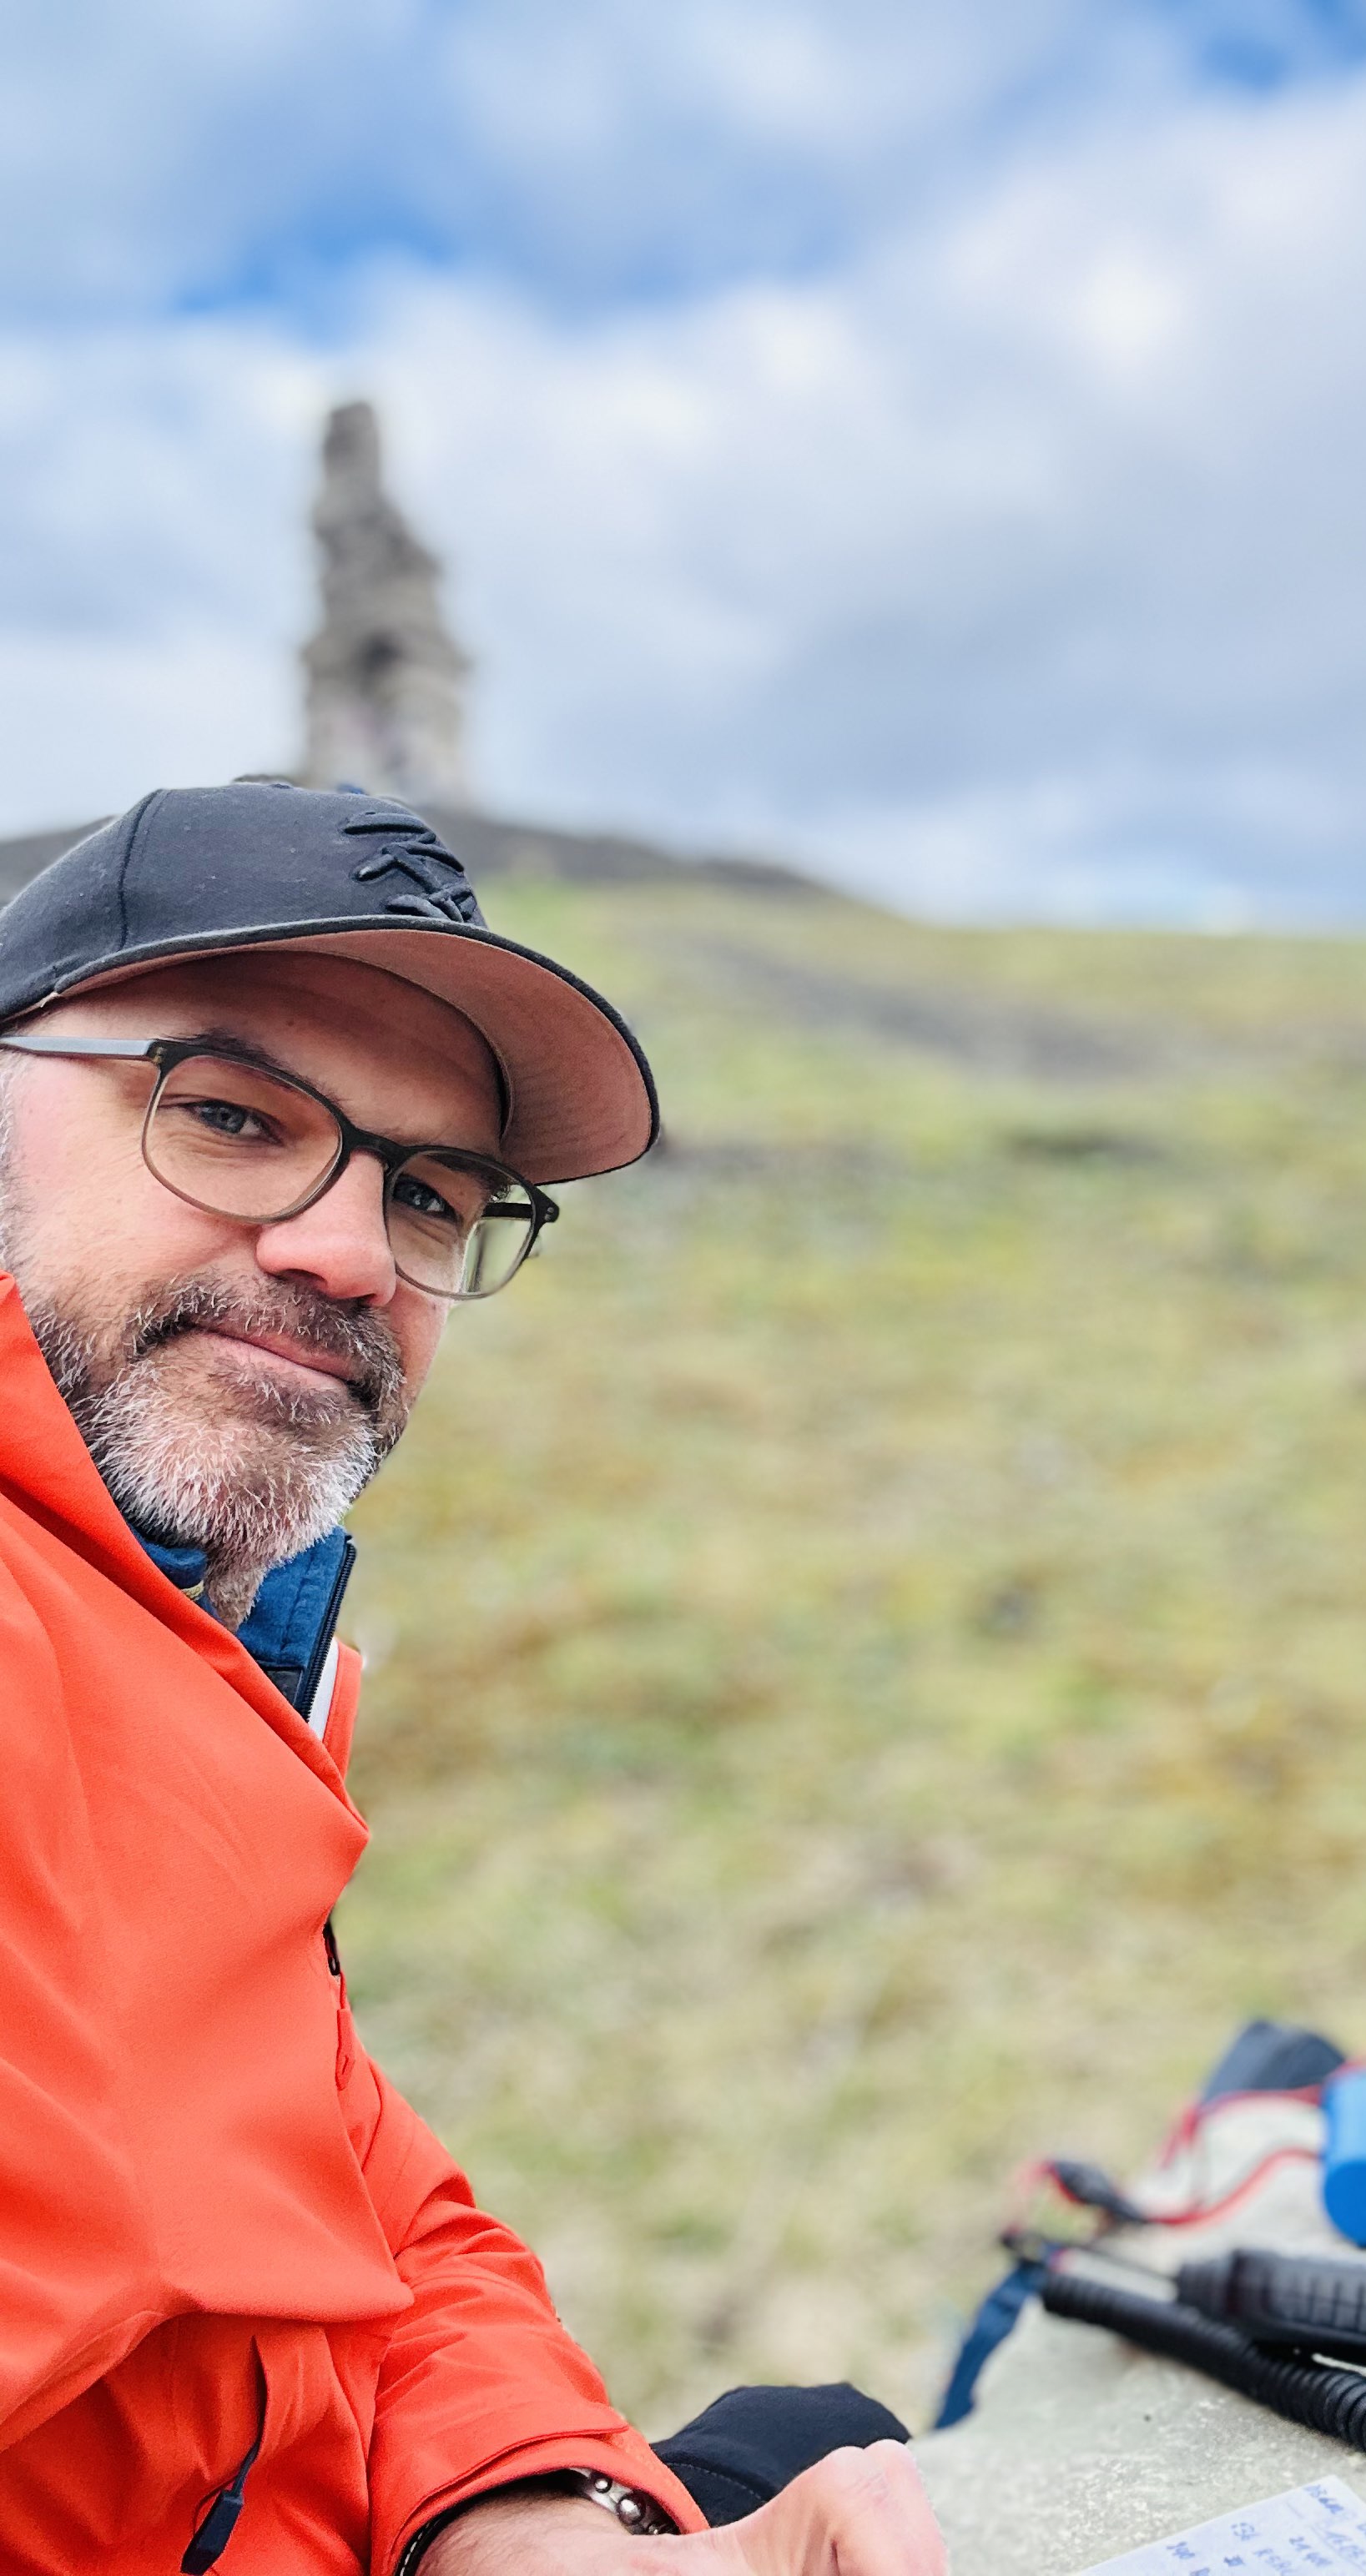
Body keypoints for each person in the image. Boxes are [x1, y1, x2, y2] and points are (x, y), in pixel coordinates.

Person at [0, 783, 948, 2576]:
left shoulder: (197, 1639)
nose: (352, 1253)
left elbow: (358, 2186)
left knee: (823, 2430)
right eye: (228, 1114)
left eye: (430, 1193)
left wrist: (534, 2512)